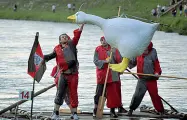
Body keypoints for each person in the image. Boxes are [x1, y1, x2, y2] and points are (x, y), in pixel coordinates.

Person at [44, 24, 84, 120]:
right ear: (60, 40)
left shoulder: (72, 44)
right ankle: (56, 113)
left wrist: (81, 28)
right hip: (63, 75)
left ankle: (74, 114)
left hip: (73, 75)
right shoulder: (56, 49)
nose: (64, 37)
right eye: (62, 37)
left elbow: (77, 36)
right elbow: (50, 56)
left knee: (73, 94)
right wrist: (43, 58)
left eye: (65, 36)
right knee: (60, 93)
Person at [93, 36, 127, 118]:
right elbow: (96, 61)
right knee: (99, 92)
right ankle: (96, 109)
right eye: (101, 40)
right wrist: (105, 61)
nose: (103, 41)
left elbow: (120, 60)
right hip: (102, 74)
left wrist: (120, 68)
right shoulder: (97, 49)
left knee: (113, 94)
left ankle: (112, 111)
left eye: (104, 40)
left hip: (113, 73)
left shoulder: (114, 49)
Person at [127, 42, 164, 116]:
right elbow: (132, 63)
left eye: (146, 50)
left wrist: (157, 73)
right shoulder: (138, 53)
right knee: (137, 95)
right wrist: (126, 62)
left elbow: (157, 66)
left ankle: (160, 111)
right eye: (143, 50)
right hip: (142, 80)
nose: (144, 51)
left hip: (152, 79)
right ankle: (131, 110)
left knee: (154, 95)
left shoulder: (153, 54)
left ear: (149, 49)